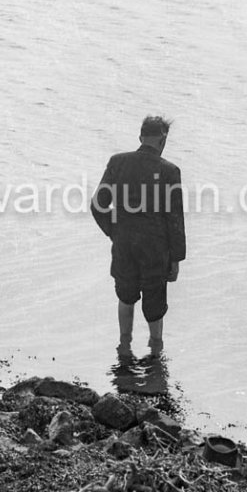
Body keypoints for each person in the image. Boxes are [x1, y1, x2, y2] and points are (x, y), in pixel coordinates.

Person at [91, 115, 186, 349]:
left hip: (123, 243)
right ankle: (156, 352)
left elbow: (98, 204)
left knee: (125, 295)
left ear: (141, 137)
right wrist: (176, 259)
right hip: (155, 249)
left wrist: (114, 230)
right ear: (163, 141)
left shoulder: (117, 162)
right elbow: (175, 219)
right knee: (154, 304)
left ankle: (124, 346)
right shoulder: (170, 171)